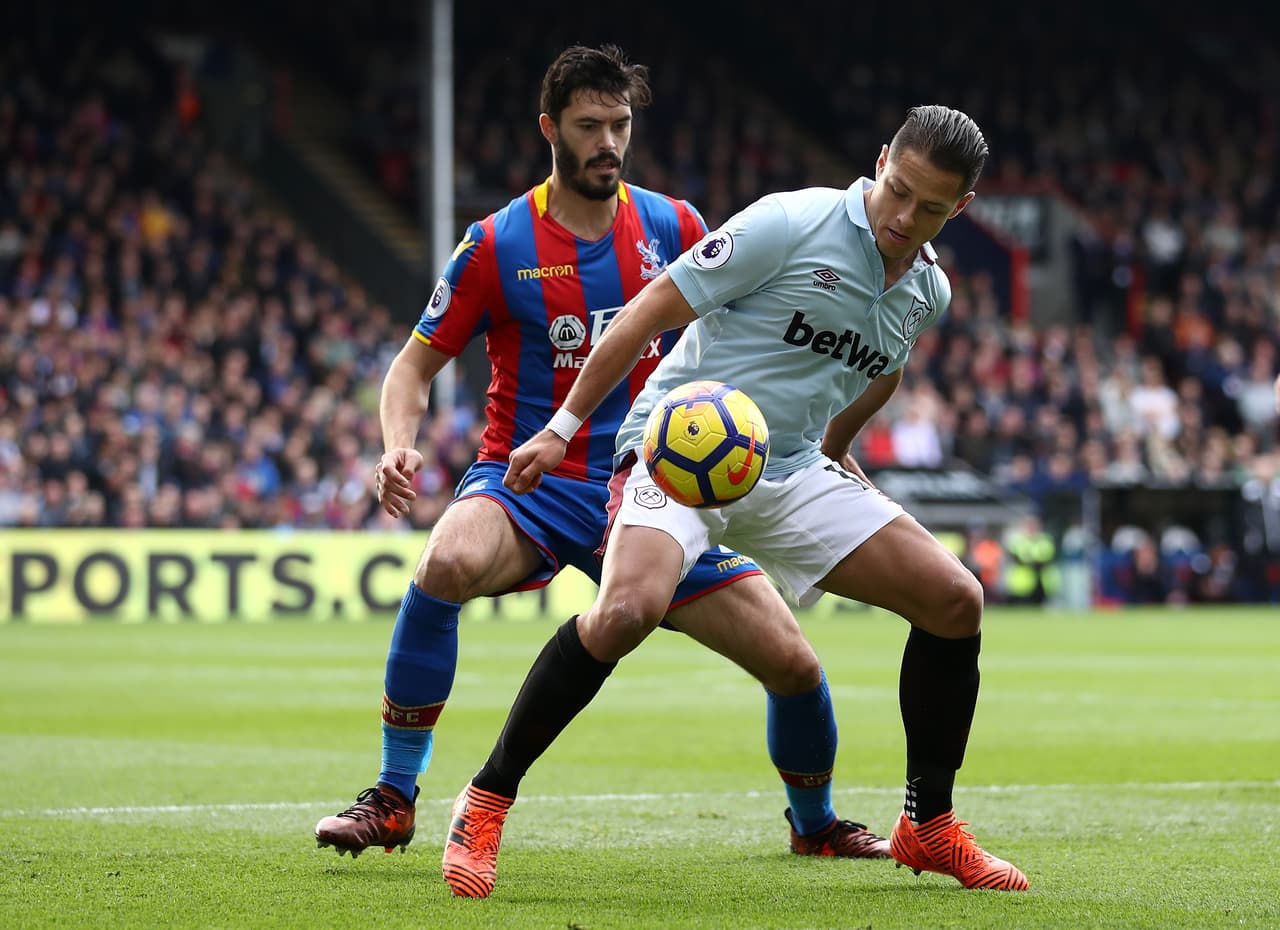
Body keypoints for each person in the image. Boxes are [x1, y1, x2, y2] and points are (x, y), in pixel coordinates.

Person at [313, 44, 887, 882]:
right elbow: (411, 368)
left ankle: (815, 823)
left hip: (659, 486)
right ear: (551, 129)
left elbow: (762, 331)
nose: (608, 141)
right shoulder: (494, 243)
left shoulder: (677, 227)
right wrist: (398, 443)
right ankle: (394, 797)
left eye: (619, 124)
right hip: (530, 480)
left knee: (795, 664)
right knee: (446, 559)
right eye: (589, 126)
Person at [446, 104, 1029, 894]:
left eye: (930, 208)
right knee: (624, 613)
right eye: (898, 190)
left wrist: (840, 448)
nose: (904, 216)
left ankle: (929, 824)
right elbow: (652, 308)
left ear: (959, 209)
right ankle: (485, 801)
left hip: (786, 467)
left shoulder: (929, 289)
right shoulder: (790, 222)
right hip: (678, 451)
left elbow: (885, 364)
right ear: (882, 157)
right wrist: (564, 426)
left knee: (956, 599)